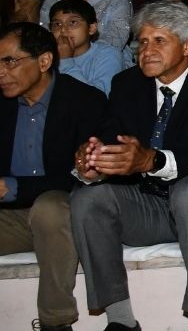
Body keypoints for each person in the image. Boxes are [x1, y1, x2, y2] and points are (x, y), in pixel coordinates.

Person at [70, 2, 188, 331]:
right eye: (143, 42)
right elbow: (111, 138)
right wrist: (94, 163)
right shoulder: (127, 83)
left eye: (159, 41)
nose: (147, 51)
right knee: (87, 198)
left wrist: (152, 159)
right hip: (146, 206)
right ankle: (120, 320)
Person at [0, 21, 115, 331]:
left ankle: (56, 323)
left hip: (64, 212)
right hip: (10, 218)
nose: (1, 72)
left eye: (9, 61)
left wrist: (13, 187)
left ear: (44, 61)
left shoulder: (85, 101)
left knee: (50, 207)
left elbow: (84, 175)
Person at [48, 0, 124, 95]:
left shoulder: (108, 55)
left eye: (73, 22)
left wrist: (65, 61)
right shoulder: (46, 56)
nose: (63, 30)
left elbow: (99, 99)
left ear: (91, 28)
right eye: (57, 24)